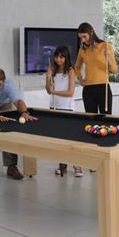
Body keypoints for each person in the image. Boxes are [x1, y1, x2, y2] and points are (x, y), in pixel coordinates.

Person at [0, 68, 37, 180]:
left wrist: (24, 112)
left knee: (7, 135)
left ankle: (11, 167)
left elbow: (18, 101)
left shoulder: (8, 86)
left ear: (4, 82)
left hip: (3, 105)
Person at [45, 45, 81, 177]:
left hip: (67, 108)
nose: (58, 59)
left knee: (70, 139)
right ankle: (63, 165)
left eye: (61, 57)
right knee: (59, 139)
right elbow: (48, 90)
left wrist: (54, 91)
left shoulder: (70, 71)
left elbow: (70, 92)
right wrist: (48, 77)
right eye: (56, 56)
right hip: (54, 107)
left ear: (66, 58)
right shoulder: (53, 71)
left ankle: (77, 165)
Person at [74, 22, 117, 114]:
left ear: (91, 32)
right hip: (88, 90)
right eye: (80, 37)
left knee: (106, 120)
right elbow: (77, 67)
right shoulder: (82, 50)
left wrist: (108, 57)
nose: (83, 40)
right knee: (91, 120)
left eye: (84, 36)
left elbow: (113, 69)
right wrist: (80, 79)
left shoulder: (106, 46)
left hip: (103, 88)